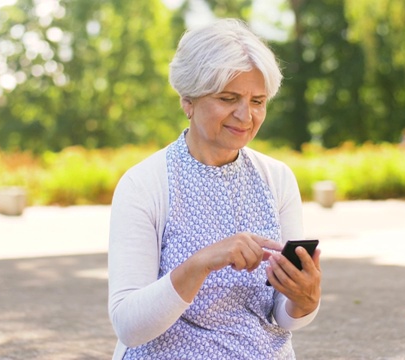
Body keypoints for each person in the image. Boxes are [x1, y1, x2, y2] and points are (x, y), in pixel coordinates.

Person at [108, 18, 322, 360]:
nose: (245, 115)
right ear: (188, 101)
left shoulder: (276, 179)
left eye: (258, 101)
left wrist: (305, 299)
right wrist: (201, 263)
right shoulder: (143, 185)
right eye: (228, 98)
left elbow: (282, 316)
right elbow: (130, 327)